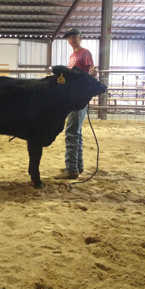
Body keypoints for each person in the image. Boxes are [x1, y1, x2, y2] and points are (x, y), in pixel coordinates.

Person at [55, 28, 96, 180]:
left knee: (71, 132)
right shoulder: (73, 56)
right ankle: (77, 165)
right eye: (69, 37)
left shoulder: (85, 53)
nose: (71, 39)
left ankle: (71, 169)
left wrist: (92, 74)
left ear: (79, 37)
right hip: (75, 96)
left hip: (79, 97)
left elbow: (91, 69)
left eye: (73, 36)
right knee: (76, 132)